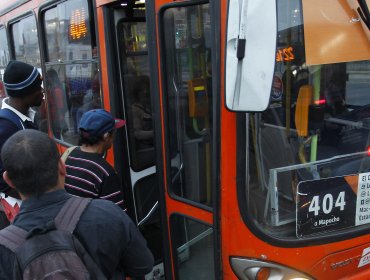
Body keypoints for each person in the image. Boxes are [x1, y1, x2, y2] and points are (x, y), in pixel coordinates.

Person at [0, 129, 154, 279]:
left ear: (8, 180)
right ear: (61, 166)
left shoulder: (4, 247)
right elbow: (142, 265)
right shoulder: (108, 213)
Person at [0, 60, 44, 227]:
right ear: (24, 92)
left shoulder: (24, 117)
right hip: (19, 213)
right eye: (38, 88)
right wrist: (37, 200)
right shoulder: (6, 126)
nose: (42, 92)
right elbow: (2, 180)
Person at [64, 109, 126, 210]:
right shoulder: (105, 173)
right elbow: (116, 216)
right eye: (114, 132)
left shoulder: (69, 155)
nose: (115, 136)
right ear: (106, 136)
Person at [45, 68, 68, 138]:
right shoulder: (53, 88)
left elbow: (60, 106)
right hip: (54, 116)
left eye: (47, 76)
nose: (47, 79)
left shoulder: (56, 89)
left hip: (56, 118)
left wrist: (59, 118)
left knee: (58, 136)